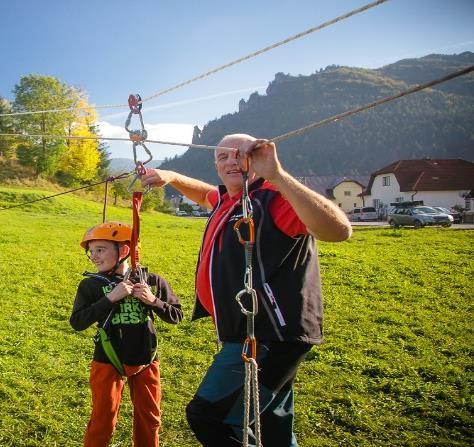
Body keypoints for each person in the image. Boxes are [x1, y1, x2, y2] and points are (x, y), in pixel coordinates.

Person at [141, 134, 352, 446]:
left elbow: (338, 230)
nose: (230, 162)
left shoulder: (274, 199)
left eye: (239, 155)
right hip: (249, 331)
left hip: (266, 335)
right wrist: (172, 177)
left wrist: (277, 175)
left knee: (210, 417)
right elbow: (204, 195)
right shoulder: (229, 200)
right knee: (271, 421)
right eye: (222, 157)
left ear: (257, 157)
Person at [70, 221, 183, 447]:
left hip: (146, 359)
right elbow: (78, 322)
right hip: (107, 358)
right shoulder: (90, 285)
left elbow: (176, 316)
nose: (93, 256)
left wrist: (153, 301)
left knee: (149, 417)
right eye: (90, 251)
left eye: (100, 250)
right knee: (103, 417)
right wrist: (110, 298)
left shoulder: (152, 281)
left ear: (124, 251)